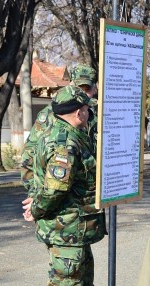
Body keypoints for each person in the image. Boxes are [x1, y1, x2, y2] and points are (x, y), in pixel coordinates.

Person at [22, 86, 106, 286]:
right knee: (67, 282)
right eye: (86, 108)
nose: (88, 111)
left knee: (83, 280)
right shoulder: (64, 142)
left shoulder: (73, 133)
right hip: (65, 227)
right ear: (77, 111)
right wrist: (36, 208)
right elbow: (55, 188)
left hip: (78, 227)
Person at [21, 64, 98, 218]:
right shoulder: (52, 114)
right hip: (60, 209)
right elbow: (30, 155)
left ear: (95, 88)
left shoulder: (96, 116)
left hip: (84, 205)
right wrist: (36, 197)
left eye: (87, 89)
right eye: (79, 88)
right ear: (71, 85)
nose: (83, 93)